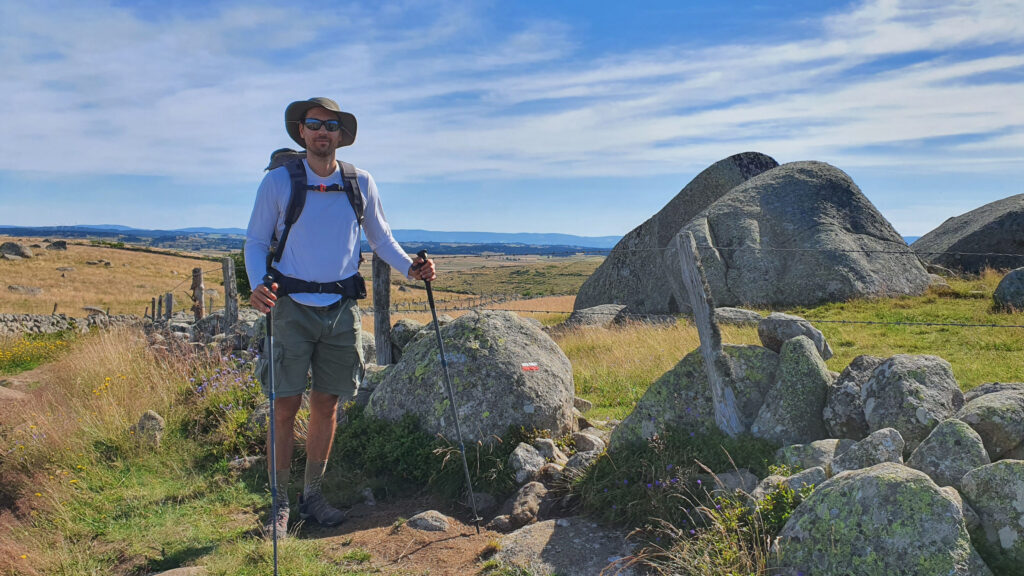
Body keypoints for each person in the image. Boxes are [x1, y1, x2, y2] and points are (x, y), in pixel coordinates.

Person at [245, 97, 436, 538]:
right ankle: (279, 503)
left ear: (340, 135)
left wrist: (411, 267)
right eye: (313, 125)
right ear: (301, 133)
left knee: (327, 404)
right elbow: (255, 241)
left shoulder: (360, 182)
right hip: (289, 306)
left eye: (329, 125)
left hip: (340, 311)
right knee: (283, 406)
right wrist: (259, 283)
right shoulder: (278, 181)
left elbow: (381, 239)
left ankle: (312, 495)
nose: (321, 132)